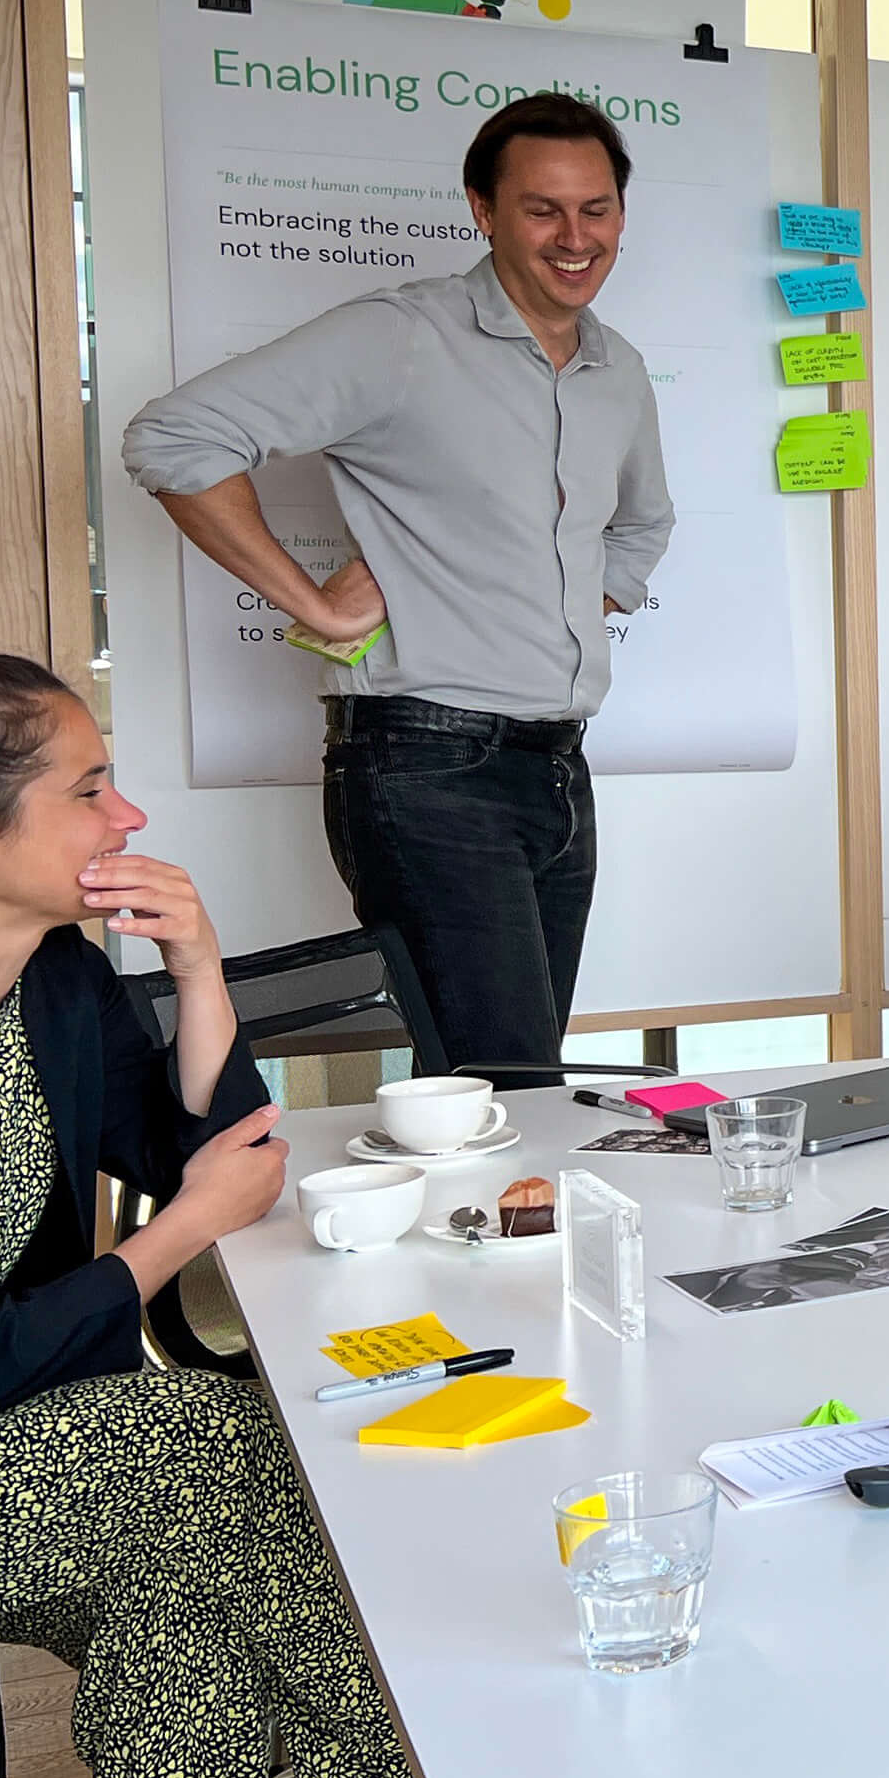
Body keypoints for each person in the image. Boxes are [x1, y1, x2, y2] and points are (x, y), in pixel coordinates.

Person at [0, 615, 429, 1778]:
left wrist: (201, 971)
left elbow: (226, 1164)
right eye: (88, 789)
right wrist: (179, 1235)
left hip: (21, 1436)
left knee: (185, 1604)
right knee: (219, 1445)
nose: (128, 818)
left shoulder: (50, 973)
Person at [121, 91, 675, 1088]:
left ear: (622, 219)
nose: (573, 235)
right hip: (428, 768)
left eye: (595, 209)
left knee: (510, 1086)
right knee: (505, 1087)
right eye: (543, 208)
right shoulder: (403, 337)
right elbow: (174, 439)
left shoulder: (616, 368)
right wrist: (318, 604)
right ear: (483, 210)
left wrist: (536, 605)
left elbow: (640, 528)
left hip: (557, 770)